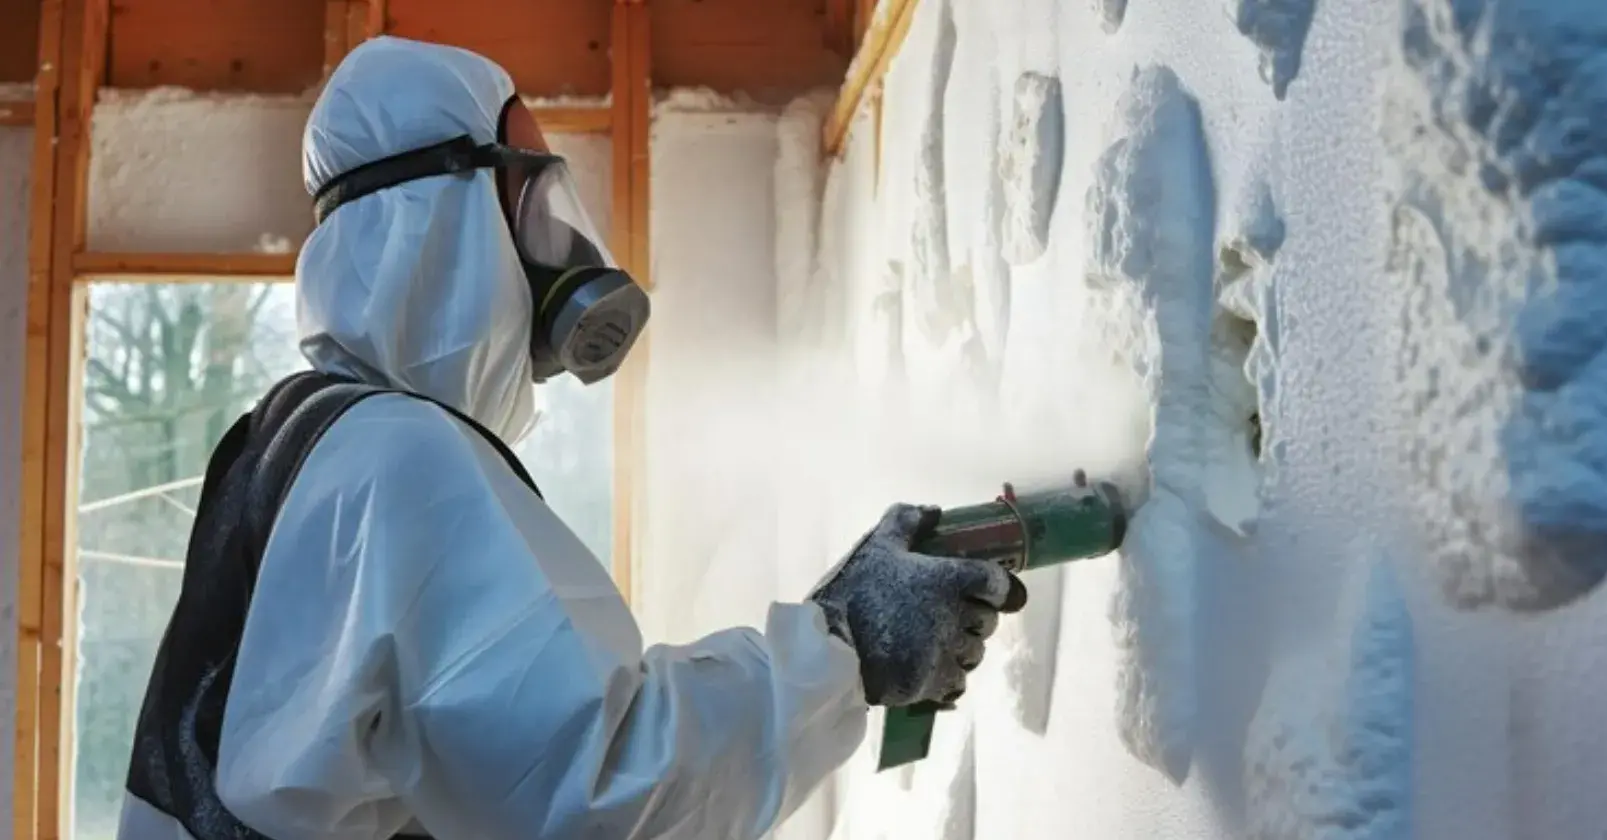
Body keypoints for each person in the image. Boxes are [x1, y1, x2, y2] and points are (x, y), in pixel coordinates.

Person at [115, 36, 1026, 840]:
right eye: (535, 199)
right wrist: (845, 649)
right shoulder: (399, 459)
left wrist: (831, 634)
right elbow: (590, 794)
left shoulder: (293, 439)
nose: (564, 254)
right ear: (452, 213)